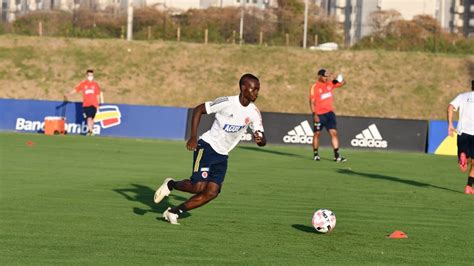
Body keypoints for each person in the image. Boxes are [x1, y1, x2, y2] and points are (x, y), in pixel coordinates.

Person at [153, 73, 266, 225]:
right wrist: (193, 136)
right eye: (254, 89)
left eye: (258, 89)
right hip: (207, 146)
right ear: (243, 88)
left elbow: (262, 138)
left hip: (223, 154)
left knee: (212, 192)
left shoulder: (254, 112)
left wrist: (260, 140)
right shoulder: (226, 102)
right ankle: (170, 184)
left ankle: (174, 212)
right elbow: (198, 109)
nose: (256, 93)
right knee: (198, 186)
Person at [309, 68, 347, 162]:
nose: (326, 78)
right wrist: (314, 114)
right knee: (317, 134)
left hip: (330, 114)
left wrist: (337, 78)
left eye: (327, 76)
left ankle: (337, 155)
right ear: (320, 76)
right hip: (319, 114)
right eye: (324, 76)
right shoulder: (315, 87)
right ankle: (316, 154)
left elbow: (342, 83)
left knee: (334, 133)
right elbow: (312, 101)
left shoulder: (330, 84)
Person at [447, 79, 474, 195]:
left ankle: (463, 156)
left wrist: (450, 124)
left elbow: (450, 107)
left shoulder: (462, 96)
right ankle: (468, 186)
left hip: (462, 132)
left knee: (466, 161)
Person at [64, 69, 101, 136]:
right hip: (86, 104)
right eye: (89, 75)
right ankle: (90, 131)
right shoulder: (83, 84)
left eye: (92, 75)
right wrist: (69, 94)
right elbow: (76, 89)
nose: (91, 77)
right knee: (89, 117)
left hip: (94, 104)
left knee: (92, 118)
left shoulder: (95, 85)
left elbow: (98, 94)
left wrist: (98, 104)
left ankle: (90, 130)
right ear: (86, 76)